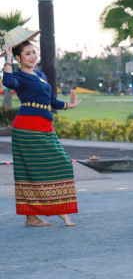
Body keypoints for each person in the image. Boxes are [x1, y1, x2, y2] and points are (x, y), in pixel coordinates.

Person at [1, 26, 81, 226]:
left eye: (33, 52)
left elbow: (51, 100)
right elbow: (8, 82)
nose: (32, 56)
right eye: (27, 54)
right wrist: (7, 58)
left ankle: (55, 210)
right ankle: (33, 216)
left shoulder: (41, 75)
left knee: (60, 164)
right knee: (31, 171)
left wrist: (69, 105)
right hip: (27, 129)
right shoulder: (18, 76)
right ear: (19, 58)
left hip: (45, 127)